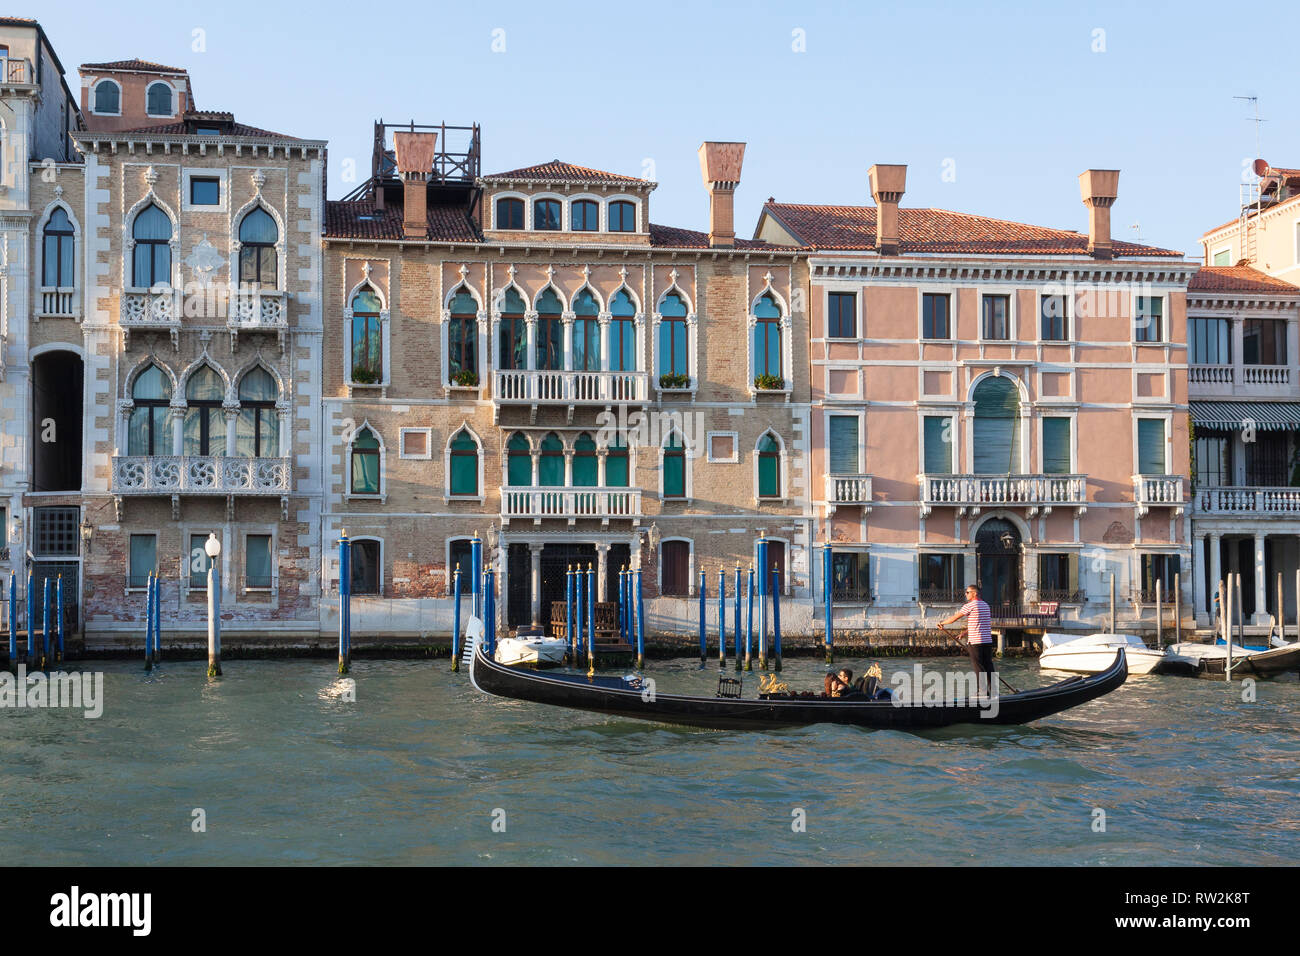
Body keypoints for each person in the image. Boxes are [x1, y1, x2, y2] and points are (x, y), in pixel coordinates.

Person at [937, 584, 995, 691]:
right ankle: (993, 690)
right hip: (987, 640)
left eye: (967, 592)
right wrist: (964, 633)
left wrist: (942, 623)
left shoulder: (970, 605)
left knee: (979, 667)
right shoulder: (986, 605)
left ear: (975, 593)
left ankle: (982, 691)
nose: (966, 594)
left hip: (975, 642)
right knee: (988, 665)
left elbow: (955, 618)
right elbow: (979, 623)